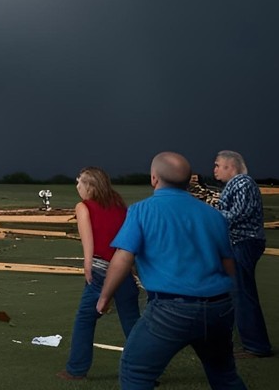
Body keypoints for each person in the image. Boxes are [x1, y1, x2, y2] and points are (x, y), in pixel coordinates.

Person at [97, 152, 244, 390]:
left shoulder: (141, 211)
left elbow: (122, 258)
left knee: (135, 371)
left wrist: (105, 297)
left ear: (154, 178)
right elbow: (228, 264)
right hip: (218, 307)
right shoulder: (213, 215)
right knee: (224, 375)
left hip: (171, 309)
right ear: (188, 181)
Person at [57, 167, 140, 381]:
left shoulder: (83, 207)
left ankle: (76, 370)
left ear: (90, 186)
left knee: (85, 319)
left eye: (79, 182)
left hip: (101, 270)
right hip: (123, 269)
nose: (77, 187)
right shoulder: (118, 202)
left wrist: (88, 268)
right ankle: (145, 372)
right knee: (132, 322)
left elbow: (89, 244)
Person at [212, 150, 273, 359]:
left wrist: (208, 212)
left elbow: (238, 214)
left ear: (231, 166)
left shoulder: (242, 183)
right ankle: (247, 342)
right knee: (236, 293)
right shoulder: (237, 184)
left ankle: (256, 346)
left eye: (218, 165)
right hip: (239, 243)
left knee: (242, 294)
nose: (215, 170)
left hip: (243, 243)